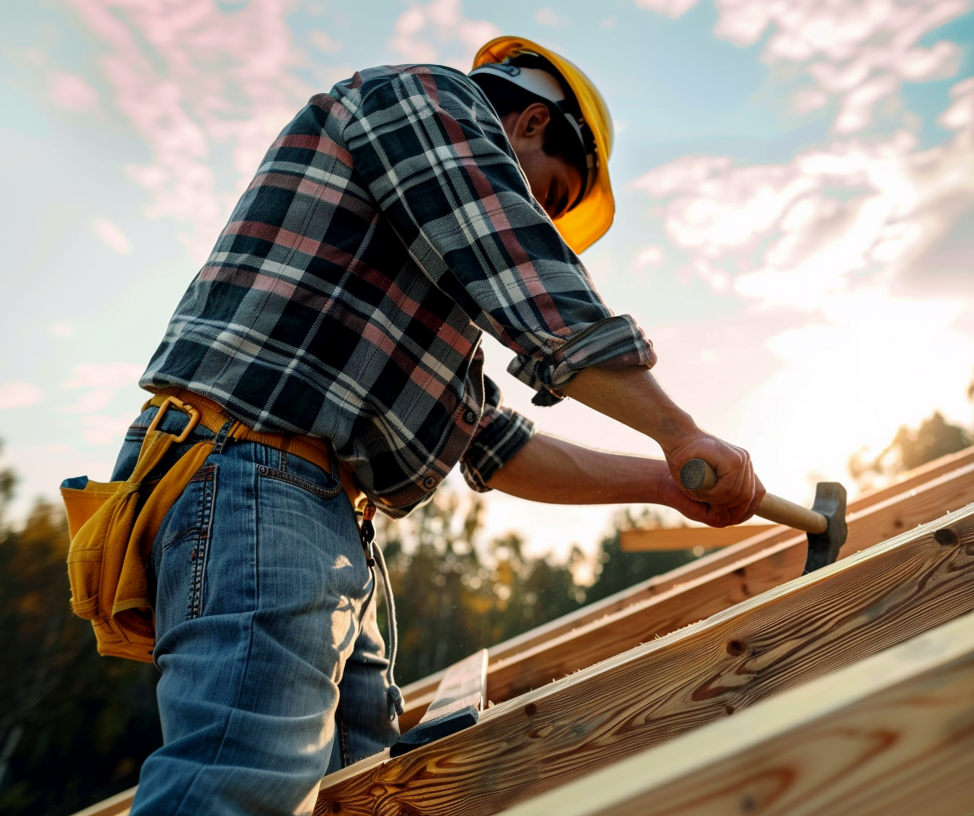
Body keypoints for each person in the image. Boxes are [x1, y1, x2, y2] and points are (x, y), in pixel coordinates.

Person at [111, 36, 765, 816]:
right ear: (526, 123)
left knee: (363, 794)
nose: (540, 217)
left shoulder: (422, 290)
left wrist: (662, 482)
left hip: (310, 513)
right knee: (235, 789)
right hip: (258, 478)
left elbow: (493, 445)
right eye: (550, 196)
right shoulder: (425, 99)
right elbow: (526, 271)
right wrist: (679, 430)